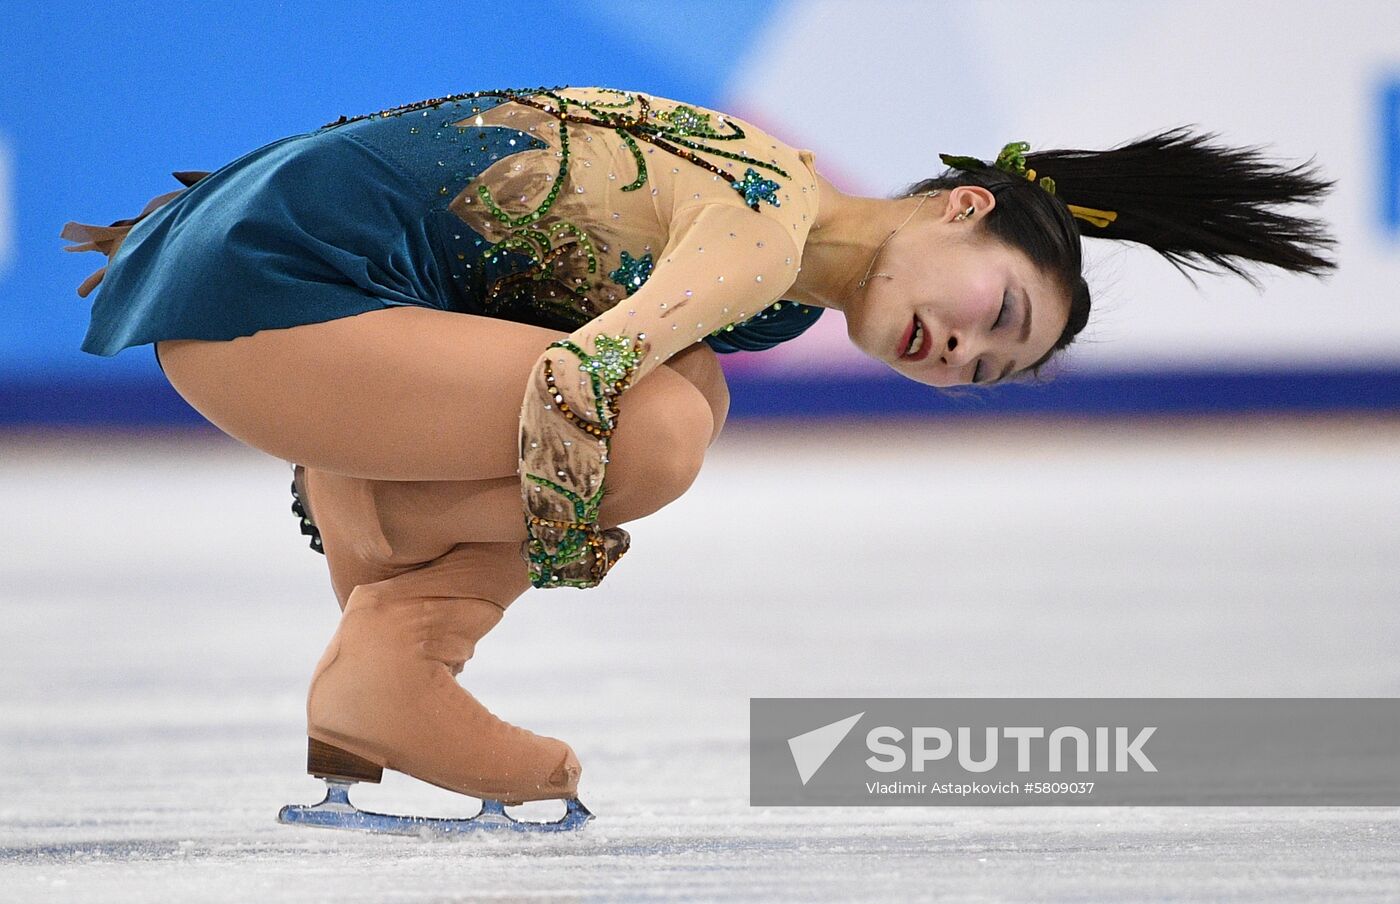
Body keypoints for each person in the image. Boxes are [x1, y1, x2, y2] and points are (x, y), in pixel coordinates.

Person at [60, 84, 1335, 832]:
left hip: (281, 296)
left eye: (981, 369)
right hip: (277, 306)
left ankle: (383, 665)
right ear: (963, 207)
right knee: (658, 428)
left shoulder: (768, 282)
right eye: (991, 310)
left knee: (687, 389)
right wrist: (571, 536)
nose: (953, 349)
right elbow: (573, 383)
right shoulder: (764, 231)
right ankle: (380, 587)